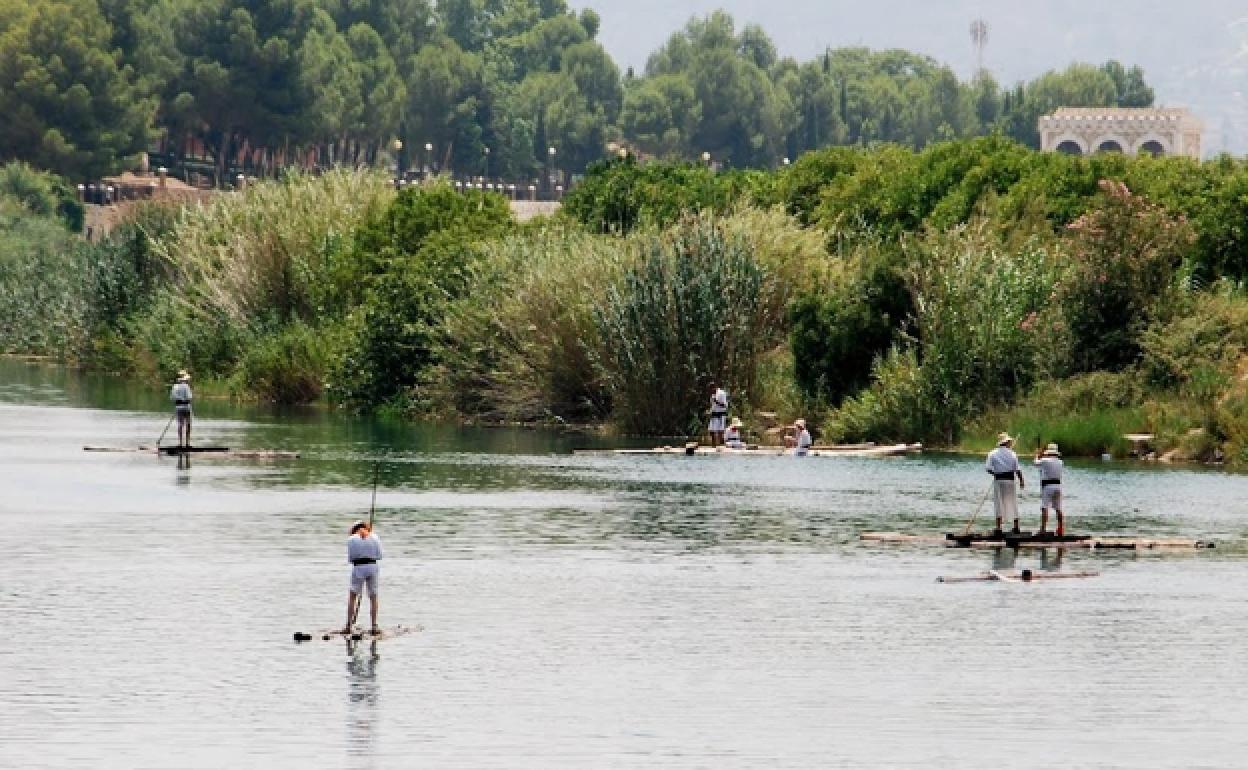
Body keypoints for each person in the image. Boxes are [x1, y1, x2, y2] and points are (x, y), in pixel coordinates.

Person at [344, 520, 383, 635]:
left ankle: (348, 626)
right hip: (373, 567)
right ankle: (374, 626)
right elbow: (380, 556)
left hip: (359, 567)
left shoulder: (351, 539)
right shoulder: (375, 537)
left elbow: (351, 558)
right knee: (373, 597)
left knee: (352, 597)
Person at [985, 432, 1025, 534]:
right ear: (1007, 442)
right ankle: (1016, 527)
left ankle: (998, 528)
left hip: (999, 480)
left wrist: (996, 474)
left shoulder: (992, 453)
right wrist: (1021, 481)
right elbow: (1017, 470)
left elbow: (988, 469)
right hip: (1010, 481)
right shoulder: (1013, 454)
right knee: (1012, 502)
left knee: (998, 503)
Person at [1034, 443, 1065, 536]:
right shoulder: (1060, 462)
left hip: (1047, 487)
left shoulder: (1044, 460)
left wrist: (1037, 455)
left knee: (1044, 508)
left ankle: (1043, 529)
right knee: (1058, 508)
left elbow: (1035, 463)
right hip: (1058, 486)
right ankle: (1060, 529)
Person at [170, 370, 193, 448]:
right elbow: (190, 397)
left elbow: (172, 398)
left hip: (178, 407)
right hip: (186, 407)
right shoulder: (186, 386)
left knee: (180, 425)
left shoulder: (174, 386)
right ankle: (187, 443)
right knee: (188, 424)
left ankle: (180, 443)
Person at [707, 382, 729, 447]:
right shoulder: (713, 395)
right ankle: (713, 445)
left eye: (711, 389)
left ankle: (720, 445)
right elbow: (713, 406)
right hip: (714, 414)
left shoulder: (722, 393)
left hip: (721, 414)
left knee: (720, 431)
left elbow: (725, 405)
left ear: (714, 388)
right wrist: (709, 411)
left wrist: (716, 401)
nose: (710, 391)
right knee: (711, 430)